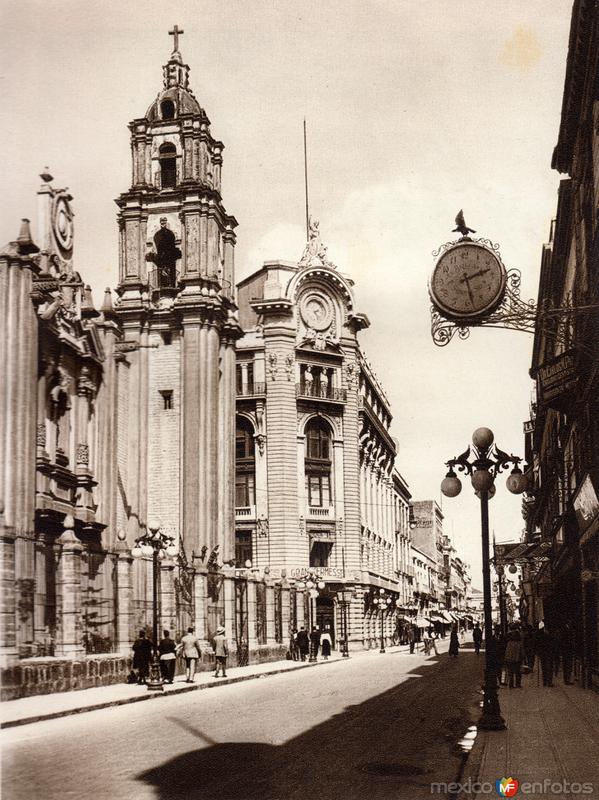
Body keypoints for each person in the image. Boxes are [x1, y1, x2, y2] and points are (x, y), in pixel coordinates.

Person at [535, 622, 555, 687]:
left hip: (545, 653)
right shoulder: (547, 635)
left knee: (546, 668)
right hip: (546, 653)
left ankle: (546, 682)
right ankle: (547, 682)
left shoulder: (541, 634)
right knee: (547, 668)